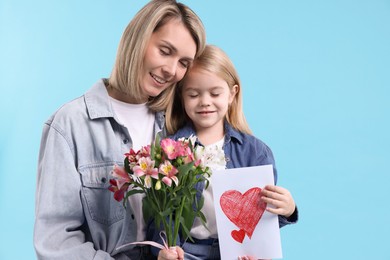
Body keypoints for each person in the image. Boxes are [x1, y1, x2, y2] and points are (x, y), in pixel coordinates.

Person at [34, 0, 206, 259]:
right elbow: (56, 241)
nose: (171, 70)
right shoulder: (71, 124)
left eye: (183, 62)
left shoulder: (178, 126)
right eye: (164, 51)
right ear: (138, 39)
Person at [161, 45, 299, 259]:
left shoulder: (255, 152)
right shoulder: (172, 148)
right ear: (181, 96)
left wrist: (288, 209)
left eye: (215, 93)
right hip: (187, 252)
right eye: (194, 94)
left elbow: (265, 217)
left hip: (237, 253)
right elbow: (161, 214)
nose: (205, 101)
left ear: (232, 94)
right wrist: (165, 250)